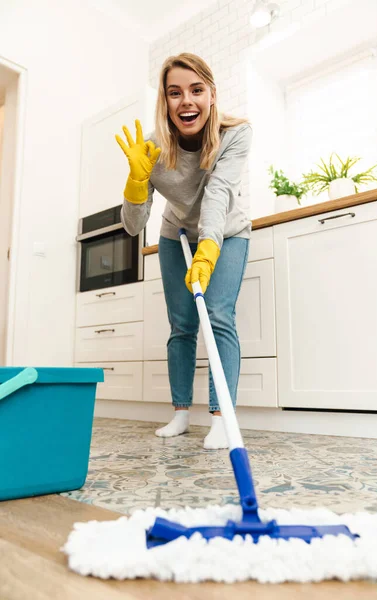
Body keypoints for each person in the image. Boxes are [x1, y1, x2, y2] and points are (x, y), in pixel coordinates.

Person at [116, 53, 252, 450]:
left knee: (218, 315)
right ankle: (179, 413)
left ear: (211, 94)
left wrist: (209, 247)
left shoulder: (236, 133)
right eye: (175, 93)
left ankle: (221, 417)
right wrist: (136, 181)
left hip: (226, 231)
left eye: (196, 90)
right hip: (176, 235)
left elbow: (218, 193)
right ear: (165, 100)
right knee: (181, 325)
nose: (186, 101)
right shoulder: (153, 148)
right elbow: (133, 225)